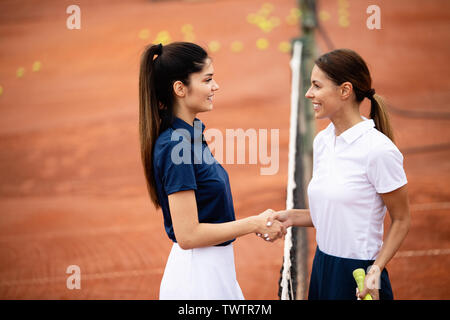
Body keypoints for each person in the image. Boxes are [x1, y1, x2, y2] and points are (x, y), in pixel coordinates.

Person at [138, 42, 285, 300]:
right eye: (207, 80)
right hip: (197, 280)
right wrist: (254, 223)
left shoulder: (191, 136)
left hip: (214, 272)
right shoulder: (176, 145)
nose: (215, 87)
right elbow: (188, 235)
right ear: (180, 88)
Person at [266, 49, 410, 300]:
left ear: (345, 90)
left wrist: (375, 270)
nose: (309, 93)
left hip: (359, 274)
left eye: (316, 86)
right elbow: (335, 213)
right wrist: (290, 217)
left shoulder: (379, 150)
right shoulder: (322, 141)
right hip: (323, 267)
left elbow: (401, 219)